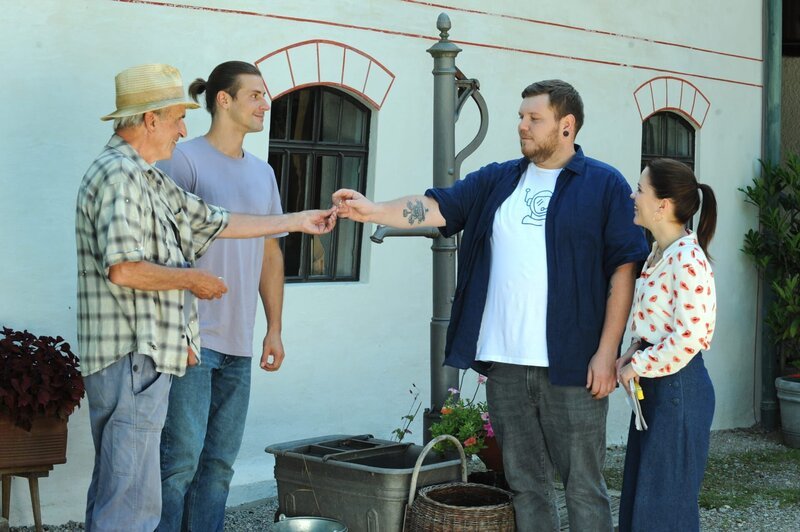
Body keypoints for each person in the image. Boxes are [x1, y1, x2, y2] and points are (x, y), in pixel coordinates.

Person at [333, 79, 649, 531]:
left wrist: (605, 352)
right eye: (521, 116)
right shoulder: (498, 179)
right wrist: (372, 209)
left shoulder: (603, 184)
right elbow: (435, 207)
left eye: (533, 118)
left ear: (567, 126)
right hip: (505, 364)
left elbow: (624, 270)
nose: (521, 125)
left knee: (583, 485)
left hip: (574, 364)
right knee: (525, 484)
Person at [75, 63, 336, 532]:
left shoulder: (146, 177)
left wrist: (297, 219)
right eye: (177, 117)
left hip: (151, 352)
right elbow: (124, 268)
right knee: (135, 499)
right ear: (150, 119)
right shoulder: (122, 176)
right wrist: (193, 280)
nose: (182, 128)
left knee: (125, 490)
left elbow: (217, 220)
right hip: (134, 354)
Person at [155, 61, 284, 532]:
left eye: (264, 95)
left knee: (219, 467)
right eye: (255, 95)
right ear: (223, 100)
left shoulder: (263, 174)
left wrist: (273, 327)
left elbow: (270, 255)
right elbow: (160, 251)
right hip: (190, 341)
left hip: (239, 344)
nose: (264, 104)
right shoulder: (183, 159)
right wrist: (173, 332)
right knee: (179, 464)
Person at [615, 159, 717, 532]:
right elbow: (657, 324)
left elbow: (689, 336)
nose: (633, 195)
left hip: (678, 389)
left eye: (640, 189)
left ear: (663, 203)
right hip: (658, 387)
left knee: (665, 508)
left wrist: (638, 365)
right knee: (645, 502)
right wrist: (631, 352)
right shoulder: (661, 253)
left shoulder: (687, 259)